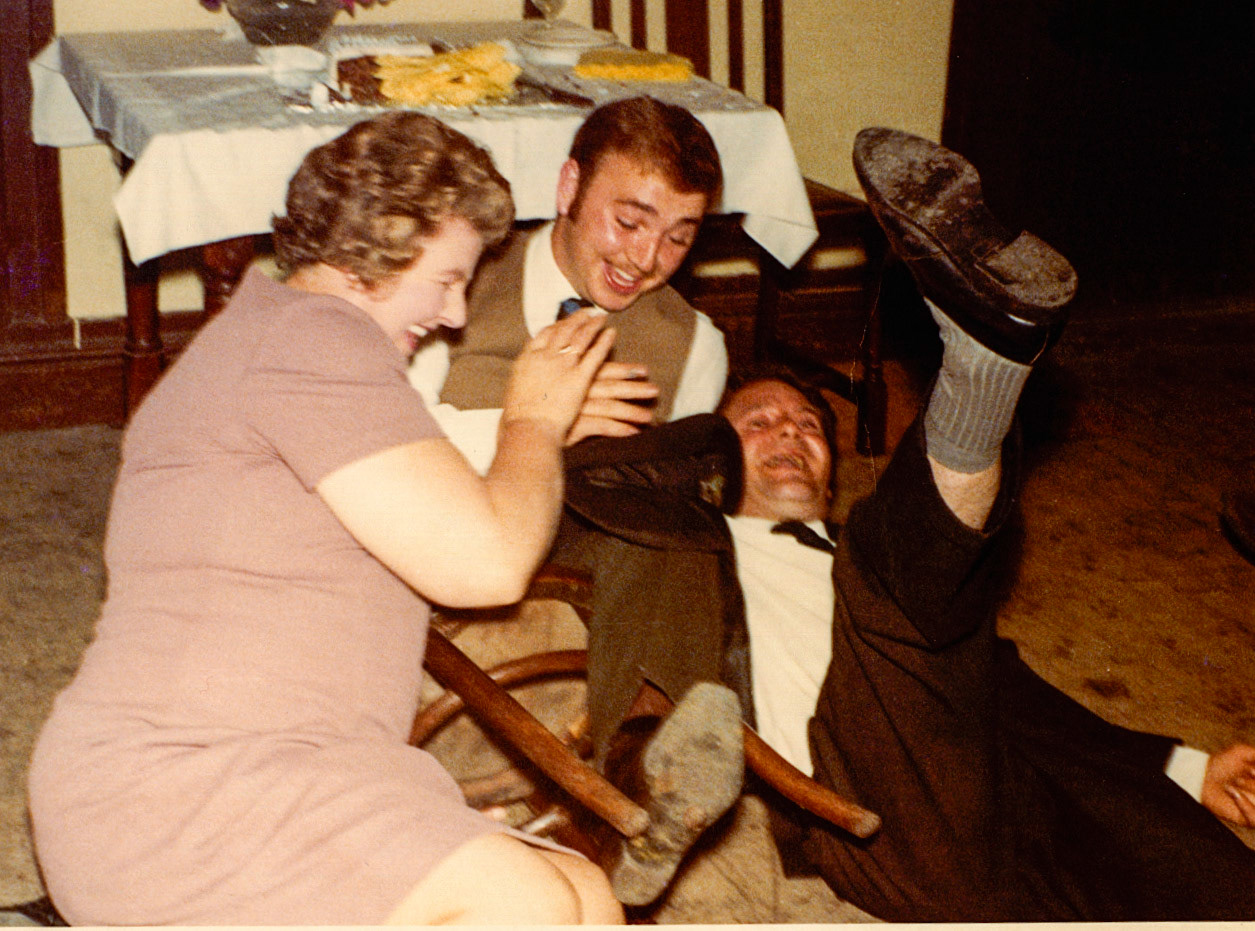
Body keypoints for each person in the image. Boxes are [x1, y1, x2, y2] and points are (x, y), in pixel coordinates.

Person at [552, 127, 1255, 919]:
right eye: (757, 423)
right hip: (871, 812)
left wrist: (1189, 767)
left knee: (1204, 875)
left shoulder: (874, 555)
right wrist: (703, 444)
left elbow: (1031, 707)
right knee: (882, 580)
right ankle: (983, 369)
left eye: (808, 427)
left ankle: (984, 364)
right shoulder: (688, 545)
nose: (789, 435)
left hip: (1001, 795)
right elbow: (585, 490)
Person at [26, 112, 624, 926]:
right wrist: (536, 419)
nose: (454, 313)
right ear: (383, 242)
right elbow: (486, 564)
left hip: (303, 767)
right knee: (521, 900)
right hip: (175, 786)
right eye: (447, 277)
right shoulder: (310, 337)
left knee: (585, 893)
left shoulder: (282, 337)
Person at [407, 95, 729, 474]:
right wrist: (538, 425)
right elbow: (396, 442)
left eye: (678, 238)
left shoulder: (695, 346)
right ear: (569, 187)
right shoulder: (456, 282)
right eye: (628, 223)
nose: (646, 260)